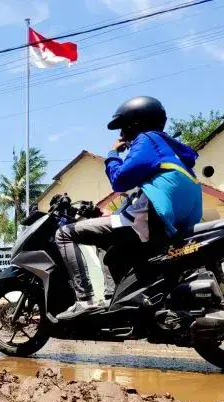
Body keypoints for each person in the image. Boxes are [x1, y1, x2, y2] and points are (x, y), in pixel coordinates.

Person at [55, 96, 202, 320]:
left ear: (135, 123)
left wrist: (114, 153)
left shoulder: (147, 140)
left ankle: (84, 301)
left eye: (123, 127)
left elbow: (121, 180)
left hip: (148, 222)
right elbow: (146, 195)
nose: (121, 133)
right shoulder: (172, 150)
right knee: (108, 247)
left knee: (64, 234)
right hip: (167, 224)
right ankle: (117, 299)